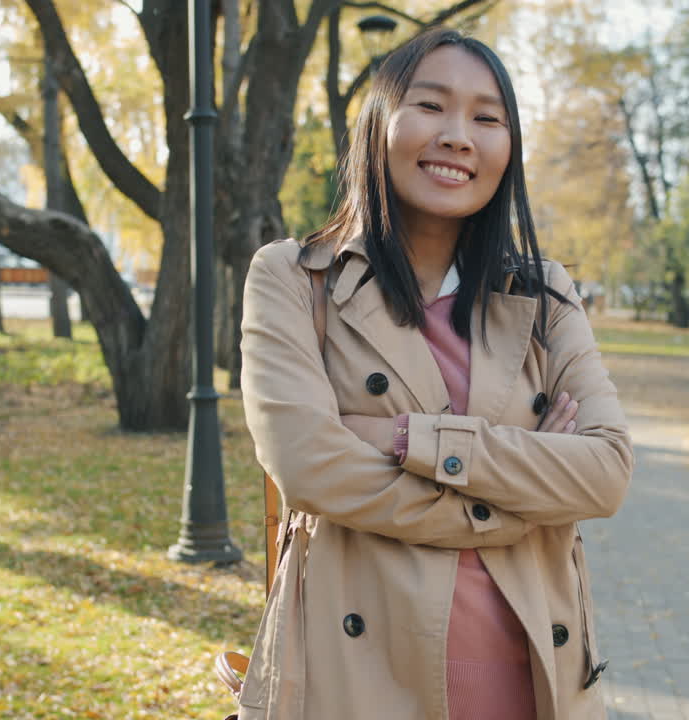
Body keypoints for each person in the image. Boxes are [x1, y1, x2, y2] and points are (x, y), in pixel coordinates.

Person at [239, 28, 633, 720]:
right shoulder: (294, 280)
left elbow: (603, 471)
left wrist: (403, 439)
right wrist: (523, 485)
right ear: (379, 123)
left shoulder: (545, 294)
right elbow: (307, 466)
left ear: (508, 150)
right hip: (354, 679)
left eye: (487, 118)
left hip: (532, 678)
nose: (458, 136)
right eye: (431, 106)